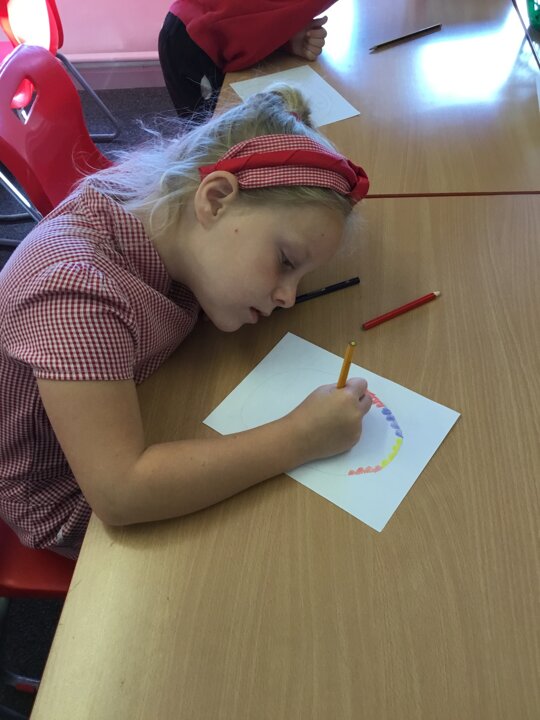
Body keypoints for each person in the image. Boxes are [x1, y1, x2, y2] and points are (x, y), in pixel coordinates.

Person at [0, 86, 371, 559]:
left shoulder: (170, 219)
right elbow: (120, 493)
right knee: (283, 553)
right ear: (214, 200)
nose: (287, 297)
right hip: (69, 499)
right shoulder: (76, 295)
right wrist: (300, 437)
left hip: (143, 401)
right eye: (284, 261)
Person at [159, 0, 336, 117]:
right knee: (206, 141)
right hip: (190, 40)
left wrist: (286, 39)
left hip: (208, 32)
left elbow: (257, 13)